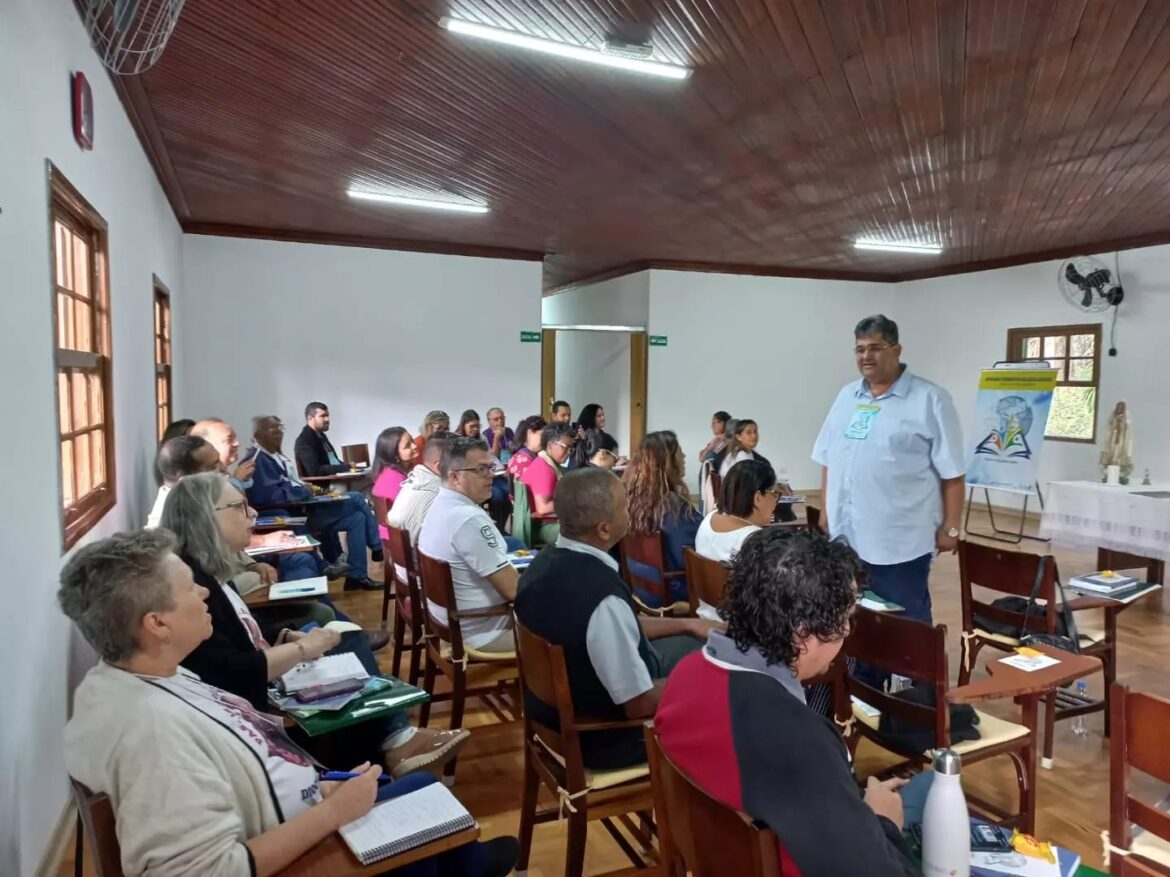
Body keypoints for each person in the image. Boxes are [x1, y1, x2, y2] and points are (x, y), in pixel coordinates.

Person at [59, 529, 517, 877]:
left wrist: (321, 787)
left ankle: (464, 859)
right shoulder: (152, 734)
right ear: (157, 623)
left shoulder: (150, 674)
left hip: (297, 807)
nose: (204, 593)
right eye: (190, 588)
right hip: (301, 852)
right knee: (434, 811)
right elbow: (207, 869)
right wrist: (332, 812)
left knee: (423, 794)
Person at [161, 473, 470, 776]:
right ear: (205, 518)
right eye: (240, 506)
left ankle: (394, 743)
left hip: (257, 674)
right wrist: (299, 648)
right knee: (343, 639)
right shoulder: (194, 586)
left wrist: (282, 635)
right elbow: (230, 671)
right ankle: (394, 744)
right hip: (250, 705)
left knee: (342, 635)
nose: (252, 513)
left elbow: (238, 631)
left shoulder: (207, 572)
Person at [655, 527, 923, 876]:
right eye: (846, 621)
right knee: (931, 794)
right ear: (804, 635)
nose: (846, 634)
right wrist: (883, 822)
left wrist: (852, 808)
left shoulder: (687, 672)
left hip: (720, 857)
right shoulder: (798, 738)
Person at [515, 469, 715, 769]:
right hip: (605, 738)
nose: (630, 510)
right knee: (727, 690)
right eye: (624, 505)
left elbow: (607, 629)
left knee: (692, 643)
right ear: (604, 529)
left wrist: (688, 623)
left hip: (551, 718)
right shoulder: (602, 597)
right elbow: (639, 704)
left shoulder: (543, 563)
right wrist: (708, 682)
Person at [812, 314, 965, 623]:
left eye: (875, 347)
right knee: (854, 614)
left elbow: (953, 472)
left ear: (896, 350)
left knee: (904, 619)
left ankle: (912, 673)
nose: (866, 356)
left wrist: (951, 527)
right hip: (847, 534)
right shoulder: (847, 397)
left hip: (899, 539)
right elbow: (829, 458)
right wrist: (827, 511)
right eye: (859, 349)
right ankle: (864, 672)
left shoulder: (930, 400)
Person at [250, 415, 383, 592]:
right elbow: (273, 495)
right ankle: (377, 546)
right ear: (258, 435)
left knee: (357, 518)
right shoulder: (258, 460)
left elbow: (292, 483)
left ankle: (357, 577)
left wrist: (307, 489)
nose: (278, 433)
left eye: (280, 427)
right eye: (271, 428)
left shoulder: (276, 456)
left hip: (306, 506)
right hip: (298, 515)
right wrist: (305, 490)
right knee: (357, 498)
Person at [417, 437, 518, 653]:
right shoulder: (468, 518)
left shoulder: (439, 505)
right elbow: (514, 591)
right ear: (454, 476)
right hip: (484, 632)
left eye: (490, 467)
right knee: (569, 632)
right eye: (481, 470)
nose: (491, 475)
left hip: (452, 625)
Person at [623, 431, 701, 608]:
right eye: (680, 452)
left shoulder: (631, 500)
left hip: (641, 588)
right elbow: (695, 554)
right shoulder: (673, 507)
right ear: (667, 462)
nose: (684, 456)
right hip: (673, 591)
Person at [694, 460, 781, 614]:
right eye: (775, 494)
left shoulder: (709, 518)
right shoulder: (754, 539)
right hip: (737, 627)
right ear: (758, 498)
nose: (776, 501)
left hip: (707, 617)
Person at [388, 431, 452, 551]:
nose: (415, 446)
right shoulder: (443, 495)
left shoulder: (415, 479)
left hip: (406, 560)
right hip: (426, 565)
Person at [147, 435, 220, 528]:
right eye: (213, 467)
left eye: (219, 460)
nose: (222, 469)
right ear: (185, 478)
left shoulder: (202, 496)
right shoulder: (168, 526)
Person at [372, 426, 416, 541]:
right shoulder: (393, 479)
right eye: (408, 446)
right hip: (400, 538)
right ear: (395, 455)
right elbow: (411, 513)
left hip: (393, 535)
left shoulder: (387, 472)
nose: (415, 446)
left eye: (412, 440)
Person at [191, 418, 257, 490]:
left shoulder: (223, 474)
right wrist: (237, 481)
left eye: (235, 438)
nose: (237, 443)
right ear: (207, 444)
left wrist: (243, 480)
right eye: (228, 440)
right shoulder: (199, 481)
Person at [294, 401, 351, 477]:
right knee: (367, 483)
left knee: (367, 479)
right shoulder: (304, 441)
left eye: (327, 415)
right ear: (310, 418)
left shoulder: (321, 436)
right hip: (324, 484)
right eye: (323, 416)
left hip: (336, 478)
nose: (327, 419)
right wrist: (346, 467)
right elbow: (316, 471)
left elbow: (333, 461)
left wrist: (351, 467)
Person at [506, 416, 545, 481]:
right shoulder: (522, 460)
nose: (544, 440)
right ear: (530, 433)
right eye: (542, 435)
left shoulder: (532, 455)